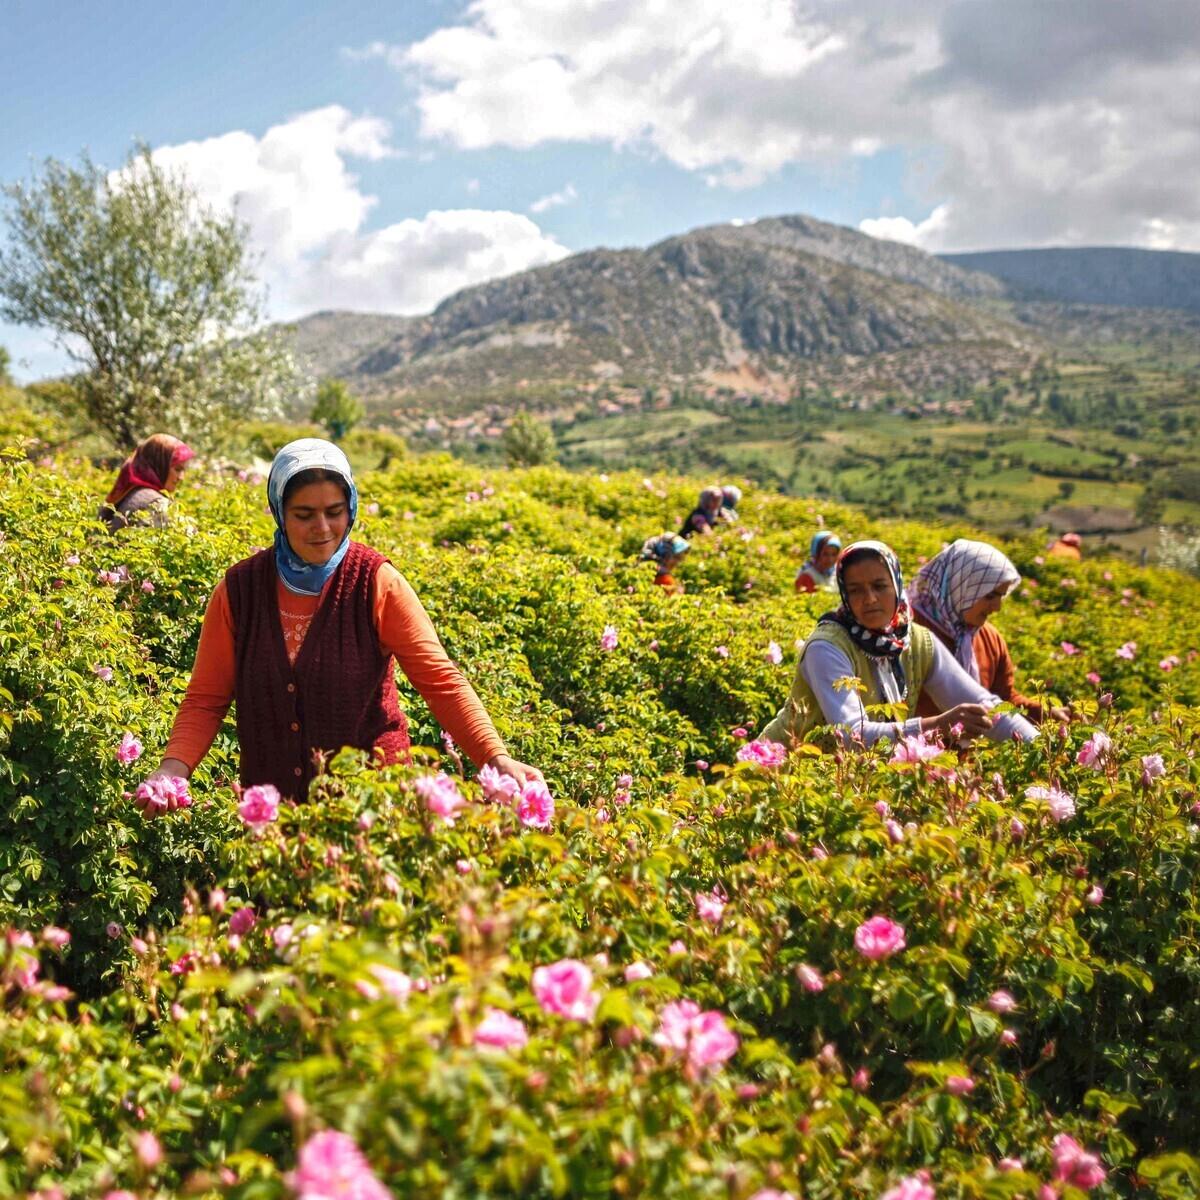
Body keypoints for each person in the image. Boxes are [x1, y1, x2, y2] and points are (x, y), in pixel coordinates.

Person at [143, 438, 540, 801]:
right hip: (274, 816)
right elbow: (206, 699)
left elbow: (441, 682)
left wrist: (495, 757)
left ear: (350, 508)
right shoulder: (239, 591)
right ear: (280, 513)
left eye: (334, 512)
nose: (322, 528)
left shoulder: (375, 583)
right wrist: (172, 770)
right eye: (304, 514)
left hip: (372, 810)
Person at [760, 540, 1038, 749]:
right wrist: (938, 725)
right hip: (785, 775)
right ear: (844, 594)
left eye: (879, 586)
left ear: (897, 586)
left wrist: (1038, 747)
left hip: (852, 780)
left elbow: (983, 704)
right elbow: (852, 734)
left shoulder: (916, 641)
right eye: (855, 590)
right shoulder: (827, 647)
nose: (869, 599)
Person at [910, 538, 1058, 723]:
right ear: (960, 586)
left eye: (1001, 596)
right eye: (990, 596)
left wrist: (1046, 713)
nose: (997, 607)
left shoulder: (990, 638)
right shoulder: (910, 630)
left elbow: (1005, 700)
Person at [98, 433, 194, 532]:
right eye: (177, 469)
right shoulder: (155, 502)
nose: (181, 477)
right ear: (159, 465)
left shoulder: (128, 491)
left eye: (183, 470)